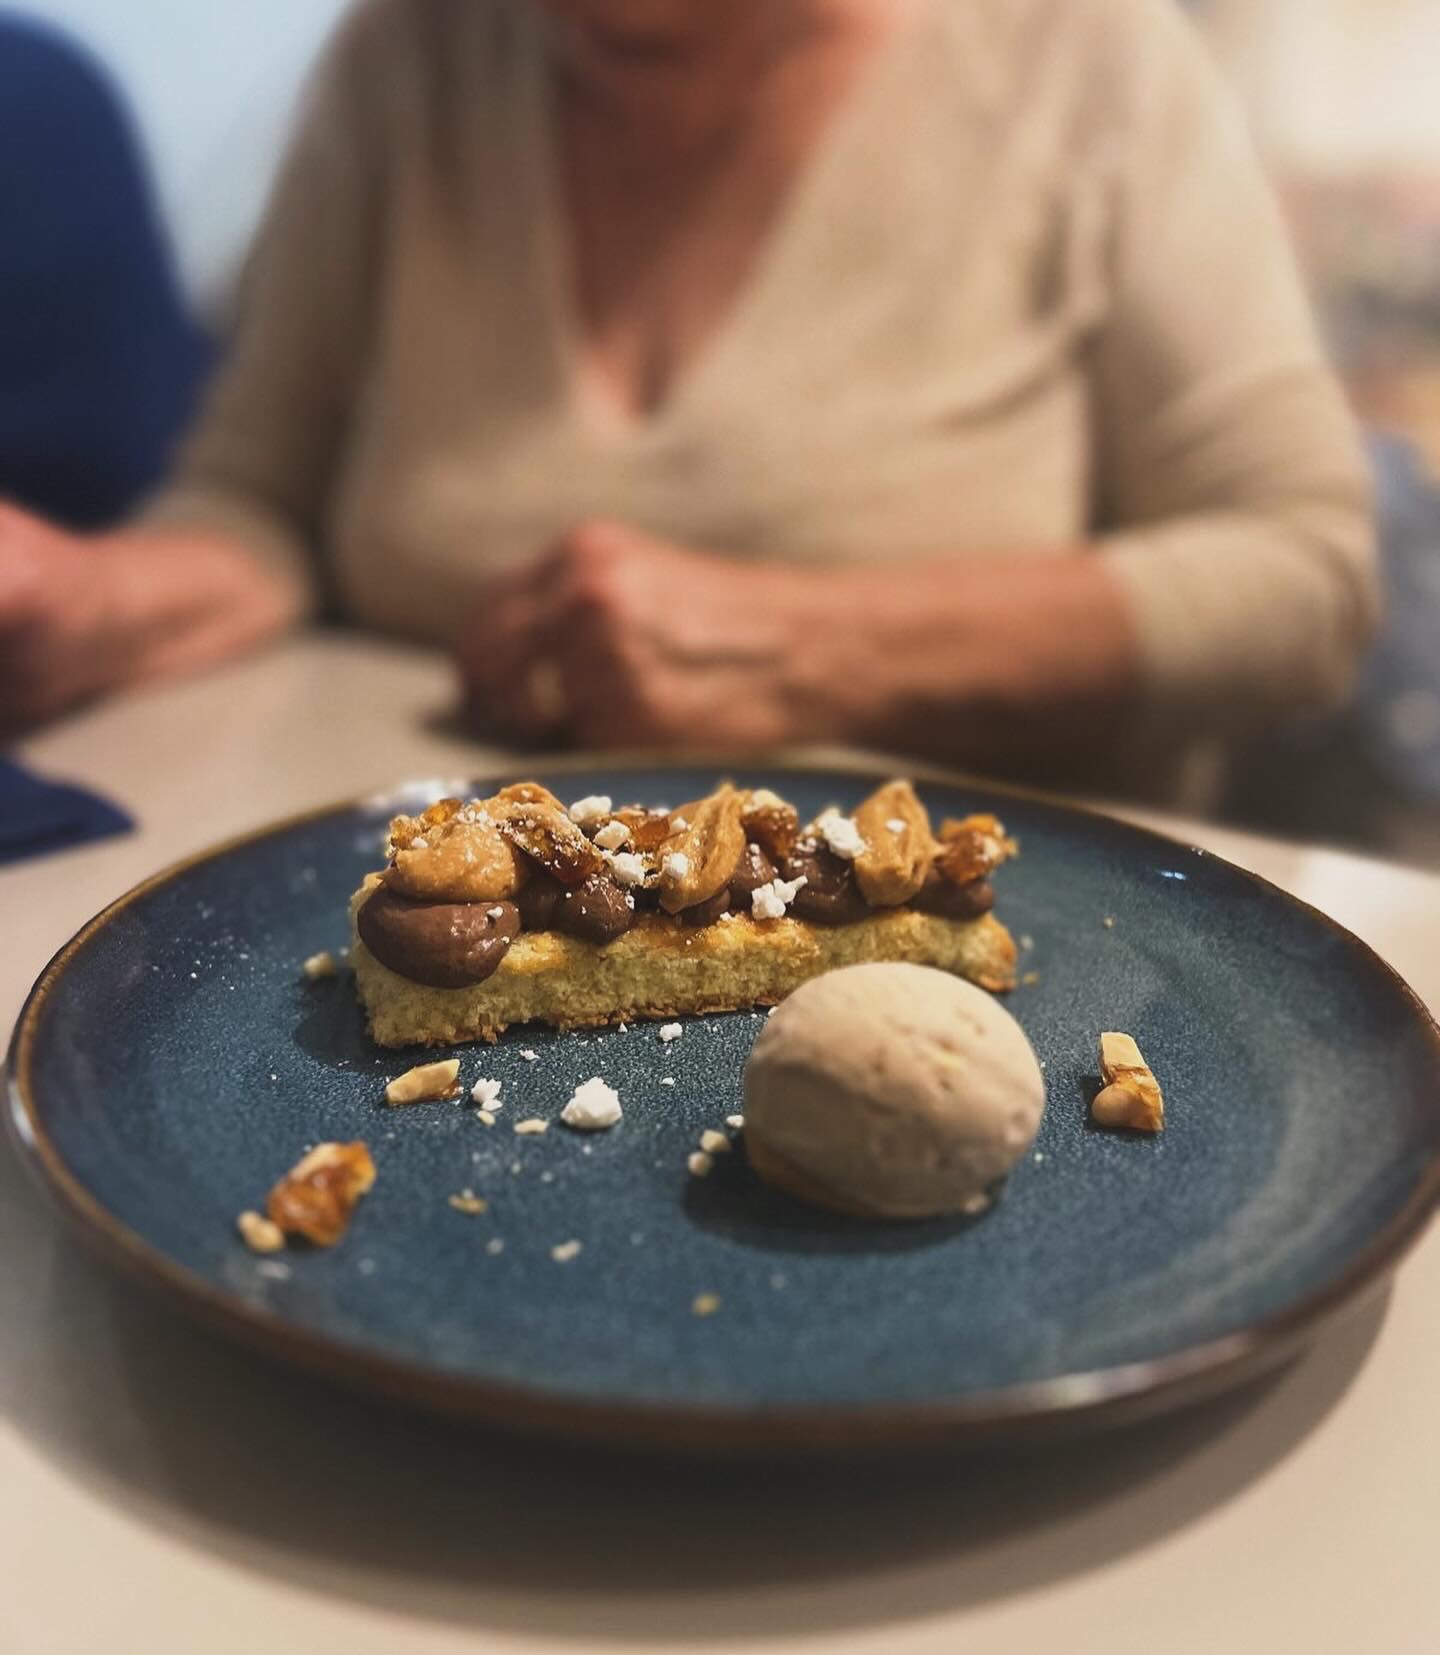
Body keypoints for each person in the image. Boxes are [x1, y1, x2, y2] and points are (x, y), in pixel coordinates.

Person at [0, 0, 1377, 803]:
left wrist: (813, 649)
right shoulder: (411, 56)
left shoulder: (1087, 61)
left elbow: (1308, 575)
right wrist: (95, 599)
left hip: (1010, 953)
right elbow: (260, 493)